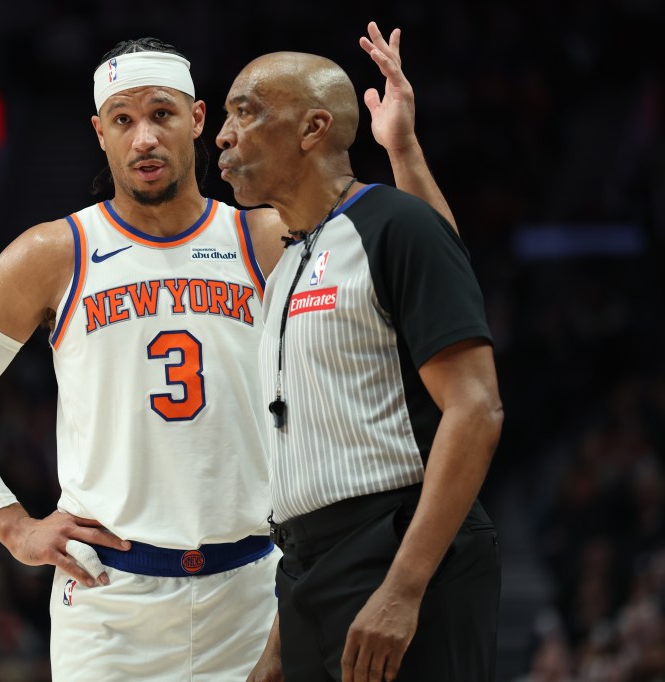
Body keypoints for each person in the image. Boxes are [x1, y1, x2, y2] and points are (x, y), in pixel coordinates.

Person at [0, 27, 454, 681]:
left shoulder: (267, 234)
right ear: (99, 130)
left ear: (197, 120)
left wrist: (402, 148)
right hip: (110, 610)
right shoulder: (53, 254)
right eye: (124, 119)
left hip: (255, 595)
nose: (145, 138)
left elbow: (433, 266)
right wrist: (11, 524)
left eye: (162, 114)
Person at [218, 24, 504, 682]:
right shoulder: (291, 260)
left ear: (314, 128)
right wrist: (279, 642)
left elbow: (477, 407)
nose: (223, 136)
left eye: (245, 111)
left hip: (400, 545)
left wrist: (404, 589)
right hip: (307, 567)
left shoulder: (391, 225)